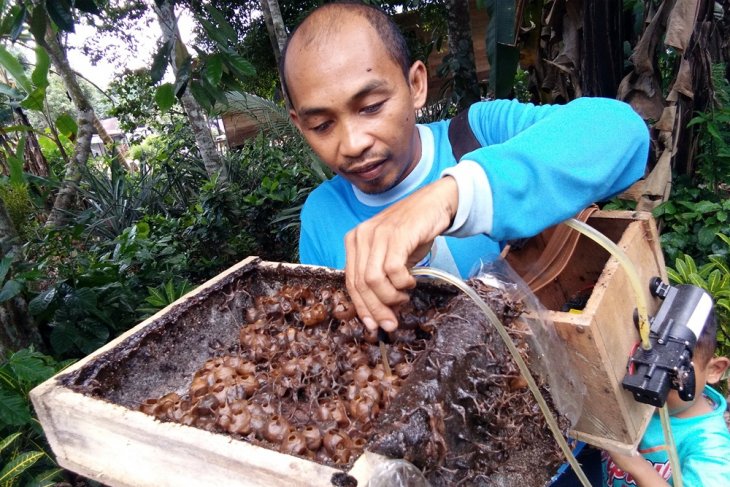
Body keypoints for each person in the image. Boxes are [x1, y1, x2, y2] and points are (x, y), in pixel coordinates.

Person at [281, 1, 650, 332]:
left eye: (372, 106)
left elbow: (622, 131)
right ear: (300, 126)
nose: (353, 143)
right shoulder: (322, 215)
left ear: (416, 85)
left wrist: (450, 196)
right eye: (322, 126)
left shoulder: (479, 133)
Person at [602, 309, 730, 486]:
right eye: (642, 368)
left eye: (672, 377)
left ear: (714, 370)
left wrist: (637, 467)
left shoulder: (710, 445)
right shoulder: (637, 394)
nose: (650, 386)